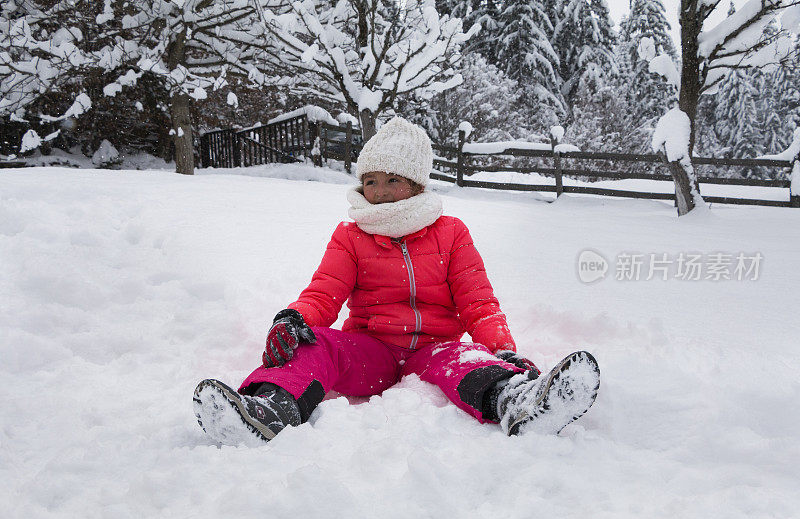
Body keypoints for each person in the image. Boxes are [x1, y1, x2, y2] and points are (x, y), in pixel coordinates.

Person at [193, 117, 600, 445]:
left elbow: (478, 302)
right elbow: (324, 291)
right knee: (315, 344)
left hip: (435, 348)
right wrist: (294, 317)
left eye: (393, 180)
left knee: (467, 360)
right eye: (371, 181)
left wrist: (503, 352)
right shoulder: (350, 235)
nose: (380, 192)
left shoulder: (451, 232)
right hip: (372, 350)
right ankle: (269, 408)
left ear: (416, 184)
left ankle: (517, 402)